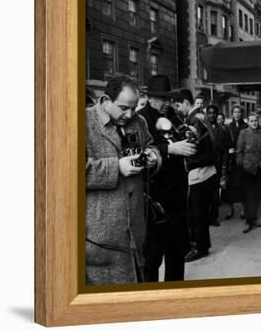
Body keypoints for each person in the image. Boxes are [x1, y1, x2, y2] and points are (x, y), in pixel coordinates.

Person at [85, 75, 161, 285]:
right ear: (106, 100)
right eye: (123, 108)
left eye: (134, 108)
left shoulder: (139, 122)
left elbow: (151, 146)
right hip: (99, 239)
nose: (129, 115)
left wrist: (154, 157)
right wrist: (116, 167)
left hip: (135, 232)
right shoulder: (81, 122)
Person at [137, 75, 196, 282]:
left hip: (177, 198)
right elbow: (139, 153)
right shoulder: (141, 119)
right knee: (152, 258)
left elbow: (182, 135)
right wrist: (169, 149)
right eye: (163, 99)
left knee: (176, 253)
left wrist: (189, 134)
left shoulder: (172, 115)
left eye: (169, 99)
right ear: (150, 97)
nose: (167, 104)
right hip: (156, 200)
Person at [174, 89, 217, 263]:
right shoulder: (200, 117)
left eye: (178, 105)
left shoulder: (193, 121)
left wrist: (183, 160)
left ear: (186, 102)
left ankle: (200, 248)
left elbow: (192, 150)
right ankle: (202, 245)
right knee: (200, 212)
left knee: (196, 213)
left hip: (199, 173)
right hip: (207, 171)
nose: (178, 109)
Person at [236, 112, 261, 233]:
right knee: (249, 195)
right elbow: (239, 151)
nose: (254, 123)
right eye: (252, 121)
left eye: (256, 121)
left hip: (260, 167)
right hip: (248, 168)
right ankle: (249, 221)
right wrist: (242, 165)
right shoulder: (243, 133)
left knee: (257, 194)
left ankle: (253, 218)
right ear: (248, 122)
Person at [205, 104, 231, 226]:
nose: (212, 115)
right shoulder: (203, 128)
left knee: (215, 192)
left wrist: (224, 166)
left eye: (214, 113)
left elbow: (226, 150)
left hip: (218, 165)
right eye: (209, 113)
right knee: (206, 192)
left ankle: (213, 217)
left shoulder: (223, 130)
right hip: (205, 165)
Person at [223, 104, 248, 219]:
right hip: (231, 160)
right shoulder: (228, 127)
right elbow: (225, 144)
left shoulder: (245, 126)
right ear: (232, 114)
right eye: (235, 112)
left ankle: (243, 208)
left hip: (242, 159)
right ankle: (230, 208)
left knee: (243, 185)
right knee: (230, 186)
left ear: (241, 113)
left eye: (239, 112)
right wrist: (229, 150)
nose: (237, 114)